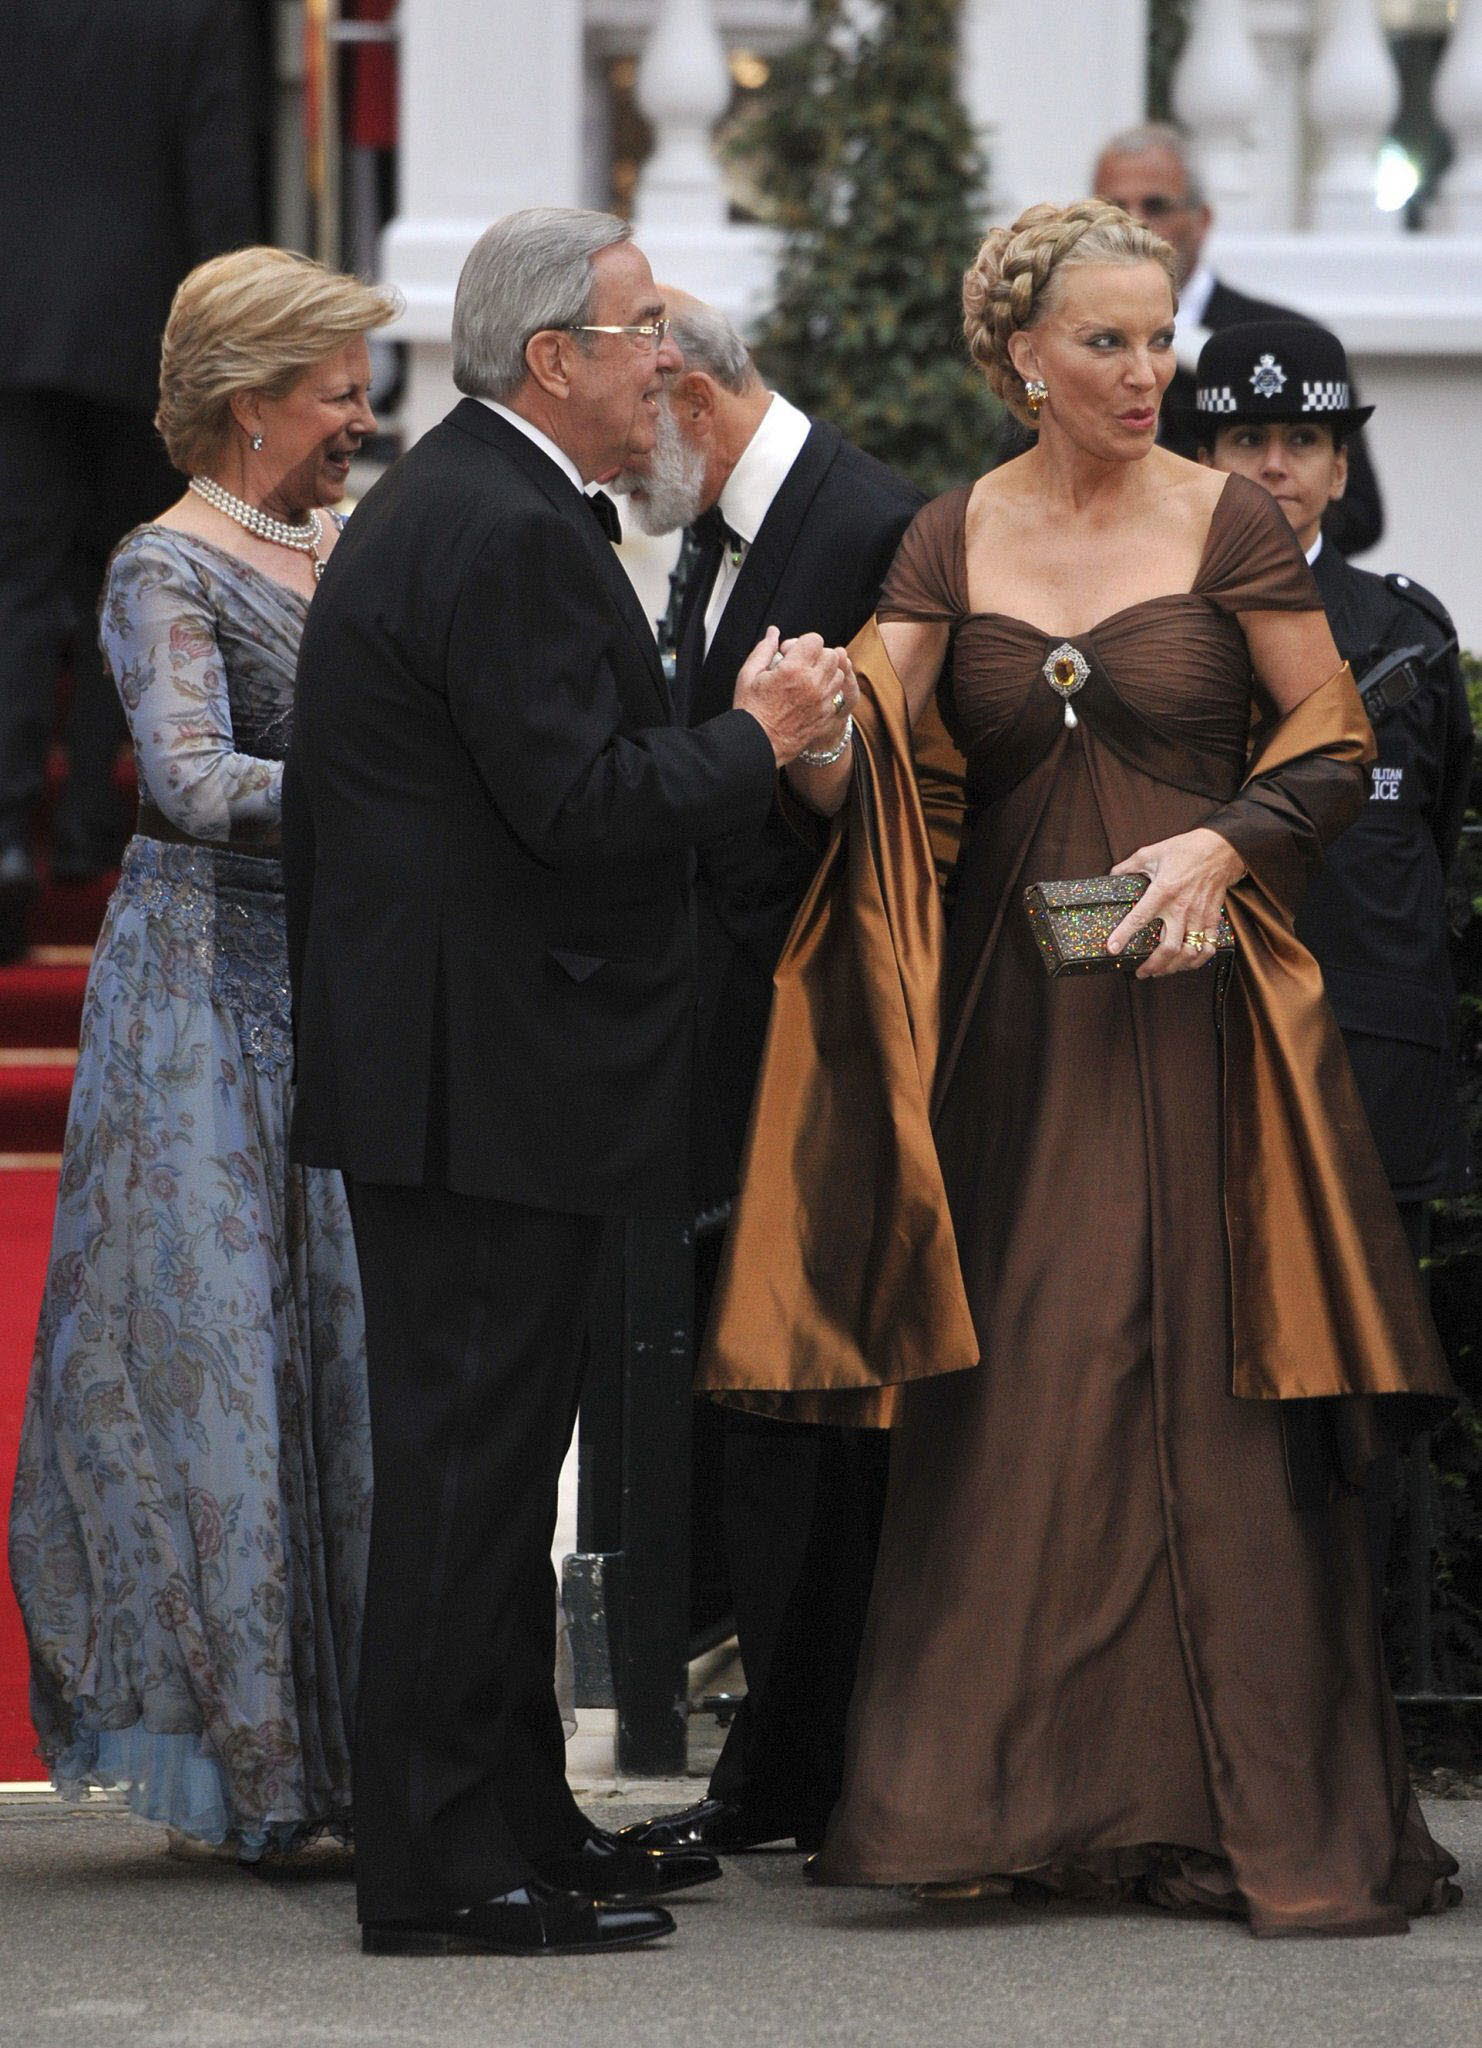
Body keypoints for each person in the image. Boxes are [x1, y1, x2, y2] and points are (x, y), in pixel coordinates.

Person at [700, 200, 1459, 1935]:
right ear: (1021, 358)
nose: (1145, 373)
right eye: (1107, 342)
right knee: (1024, 1387)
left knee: (1204, 1379)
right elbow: (871, 779)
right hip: (1011, 1027)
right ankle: (1003, 1799)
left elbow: (1330, 735)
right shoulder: (946, 537)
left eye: (1156, 339)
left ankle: (1236, 1799)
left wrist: (1224, 847)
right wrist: (802, 727)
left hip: (1197, 1012)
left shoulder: (1233, 519)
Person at [283, 206, 858, 1958]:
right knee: (466, 1480)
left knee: (485, 1468)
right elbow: (580, 804)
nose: (665, 360)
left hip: (476, 1077)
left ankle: (517, 1819)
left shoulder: (488, 499)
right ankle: (445, 1870)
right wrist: (756, 737)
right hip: (479, 1088)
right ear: (555, 361)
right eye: (638, 331)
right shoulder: (507, 525)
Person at [7, 246, 392, 1861]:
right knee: (224, 1363)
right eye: (338, 389)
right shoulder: (157, 567)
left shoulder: (343, 539)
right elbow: (183, 769)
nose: (363, 416)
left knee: (352, 1351)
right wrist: (388, 795)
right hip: (195, 990)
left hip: (339, 974)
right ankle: (258, 1770)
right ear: (251, 401)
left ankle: (373, 1746)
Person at [609, 294, 922, 1858]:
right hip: (732, 1039)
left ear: (692, 392)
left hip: (818, 1047)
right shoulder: (736, 521)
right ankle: (782, 1762)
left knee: (799, 1413)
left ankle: (798, 1768)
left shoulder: (863, 522)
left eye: (631, 404)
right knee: (757, 1415)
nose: (616, 445)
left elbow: (880, 814)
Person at [1191, 316, 1474, 1580]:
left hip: (1367, 1071)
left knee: (1368, 1413)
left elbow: (1436, 829)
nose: (1275, 464)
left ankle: (1358, 1732)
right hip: (1195, 1065)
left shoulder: (1407, 635)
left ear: (1342, 468)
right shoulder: (1157, 638)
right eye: (1246, 437)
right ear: (1203, 455)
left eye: (1303, 438)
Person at [0, 0, 260, 960]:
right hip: (141, 342)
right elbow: (218, 190)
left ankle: (5, 843)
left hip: (16, 338)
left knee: (14, 586)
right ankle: (83, 834)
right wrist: (231, 352)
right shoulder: (193, 18)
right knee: (130, 586)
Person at [1091, 122, 1382, 557]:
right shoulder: (1069, 345)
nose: (1133, 224)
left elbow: (1359, 514)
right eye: (1114, 208)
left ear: (1201, 219)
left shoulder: (1292, 340)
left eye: (1155, 206)